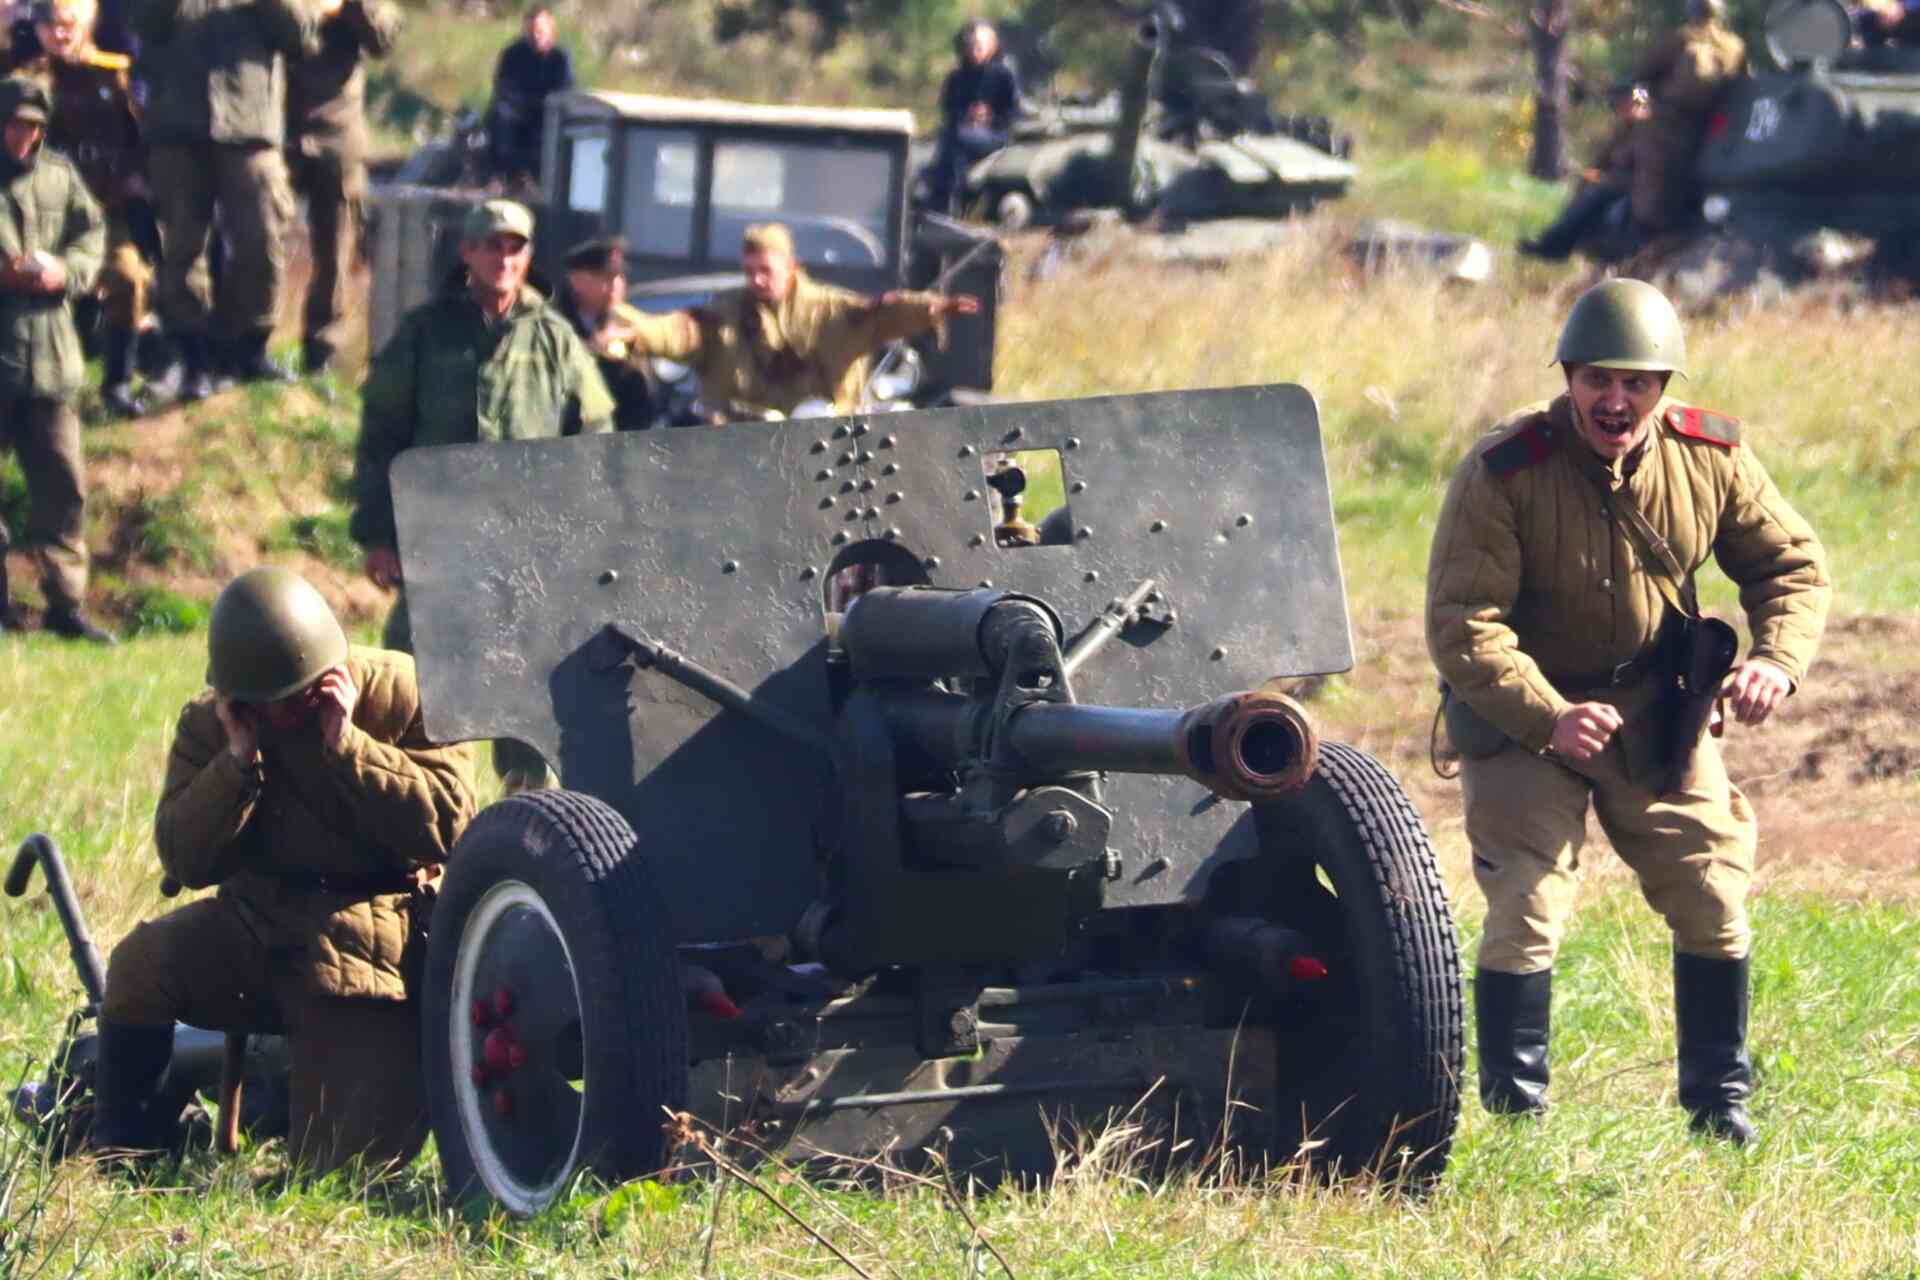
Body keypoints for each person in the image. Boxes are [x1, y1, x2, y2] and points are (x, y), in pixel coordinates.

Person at [1426, 279, 1830, 1145]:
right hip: (1523, 713)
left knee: (1713, 891)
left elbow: (1791, 566)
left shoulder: (1710, 455)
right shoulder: (1505, 470)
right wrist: (1549, 716)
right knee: (1528, 905)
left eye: (1638, 382)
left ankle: (1719, 1108)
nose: (1616, 401)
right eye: (1598, 380)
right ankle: (1516, 1120)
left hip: (1658, 710)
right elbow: (1464, 626)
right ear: (1569, 378)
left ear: (1664, 386)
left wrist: (1775, 663)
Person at [91, 566, 477, 1169]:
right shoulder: (213, 725)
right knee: (139, 965)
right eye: (264, 707)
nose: (283, 717)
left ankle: (286, 1097)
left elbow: (454, 825)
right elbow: (183, 859)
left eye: (298, 699)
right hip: (257, 924)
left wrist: (350, 746)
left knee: (343, 1171)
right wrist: (236, 763)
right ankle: (123, 1148)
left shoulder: (403, 693)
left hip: (370, 945)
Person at [350, 198, 613, 787]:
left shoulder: (555, 339)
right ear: (467, 252)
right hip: (437, 549)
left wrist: (583, 542)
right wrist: (378, 535)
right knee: (408, 686)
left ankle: (524, 824)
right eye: (490, 244)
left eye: (514, 246)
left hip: (530, 558)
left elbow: (595, 444)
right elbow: (380, 437)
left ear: (528, 256)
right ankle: (404, 807)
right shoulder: (424, 333)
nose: (502, 257)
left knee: (531, 704)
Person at [130, 0, 320, 398]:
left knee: (263, 234)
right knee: (182, 245)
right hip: (178, 126)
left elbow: (301, 33)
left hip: (250, 126)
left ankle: (248, 348)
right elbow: (145, 24)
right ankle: (191, 354)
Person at [614, 222, 979, 419]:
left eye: (765, 271)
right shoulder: (725, 313)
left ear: (792, 268)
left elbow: (882, 314)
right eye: (749, 271)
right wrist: (637, 333)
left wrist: (931, 307)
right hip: (737, 442)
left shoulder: (830, 312)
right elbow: (681, 332)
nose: (756, 280)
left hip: (818, 443)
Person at [6, 0, 169, 417]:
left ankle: (116, 384)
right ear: (38, 31)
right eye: (50, 27)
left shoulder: (113, 73)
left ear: (81, 25)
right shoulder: (25, 82)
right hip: (40, 212)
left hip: (103, 207)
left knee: (129, 278)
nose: (59, 34)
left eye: (66, 25)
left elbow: (139, 138)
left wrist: (137, 185)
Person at [0, 75, 111, 643]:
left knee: (64, 487)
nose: (23, 134)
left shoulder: (59, 177)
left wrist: (65, 272)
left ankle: (66, 606)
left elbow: (92, 236)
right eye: (14, 122)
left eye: (32, 125)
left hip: (49, 358)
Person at [286, 0, 399, 376]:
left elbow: (384, 39)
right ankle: (250, 346)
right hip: (275, 124)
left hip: (338, 133)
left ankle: (321, 356)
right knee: (257, 236)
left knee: (336, 247)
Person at [1627, 0, 1746, 234]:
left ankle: (1642, 238)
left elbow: (1640, 80)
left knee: (1653, 190)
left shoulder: (1679, 38)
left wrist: (1642, 111)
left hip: (1668, 123)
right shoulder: (1735, 46)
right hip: (1714, 128)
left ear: (1691, 11)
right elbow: (1743, 87)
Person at [1519, 85, 1649, 262]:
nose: (1622, 108)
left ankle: (1555, 245)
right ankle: (1559, 241)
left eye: (1629, 103)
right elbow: (1604, 161)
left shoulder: (1648, 132)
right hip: (1613, 183)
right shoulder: (1623, 131)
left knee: (1593, 198)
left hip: (1630, 188)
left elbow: (1644, 169)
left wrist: (1609, 179)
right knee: (1585, 193)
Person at [557, 235, 655, 430]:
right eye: (605, 277)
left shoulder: (628, 324)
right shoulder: (556, 324)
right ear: (576, 280)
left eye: (620, 277)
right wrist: (593, 347)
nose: (615, 286)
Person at [924, 19, 1021, 214]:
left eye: (979, 46)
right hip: (961, 132)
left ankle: (950, 202)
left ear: (991, 46)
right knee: (949, 142)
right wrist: (966, 115)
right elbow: (948, 109)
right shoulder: (956, 77)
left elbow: (1013, 112)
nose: (974, 51)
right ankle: (941, 200)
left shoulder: (1004, 75)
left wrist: (989, 117)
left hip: (994, 135)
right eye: (970, 46)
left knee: (956, 141)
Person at [485, 5, 571, 191]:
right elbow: (503, 86)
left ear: (550, 32)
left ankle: (534, 179)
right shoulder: (512, 54)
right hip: (518, 110)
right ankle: (499, 176)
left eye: (540, 31)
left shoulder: (560, 58)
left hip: (547, 112)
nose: (535, 36)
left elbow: (564, 91)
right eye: (531, 31)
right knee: (498, 115)